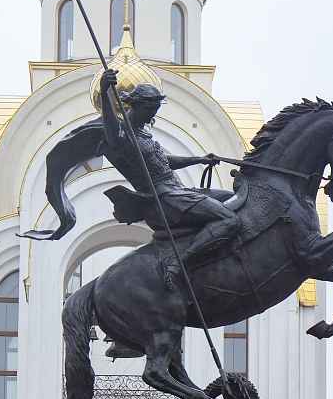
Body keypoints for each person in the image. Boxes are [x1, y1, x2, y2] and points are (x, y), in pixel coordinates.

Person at [95, 68, 240, 270]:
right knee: (229, 219)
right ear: (138, 107)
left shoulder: (143, 135)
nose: (152, 117)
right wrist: (104, 91)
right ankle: (180, 262)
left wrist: (199, 159)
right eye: (150, 112)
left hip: (179, 191)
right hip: (165, 198)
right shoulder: (123, 137)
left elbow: (166, 161)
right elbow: (110, 127)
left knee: (235, 198)